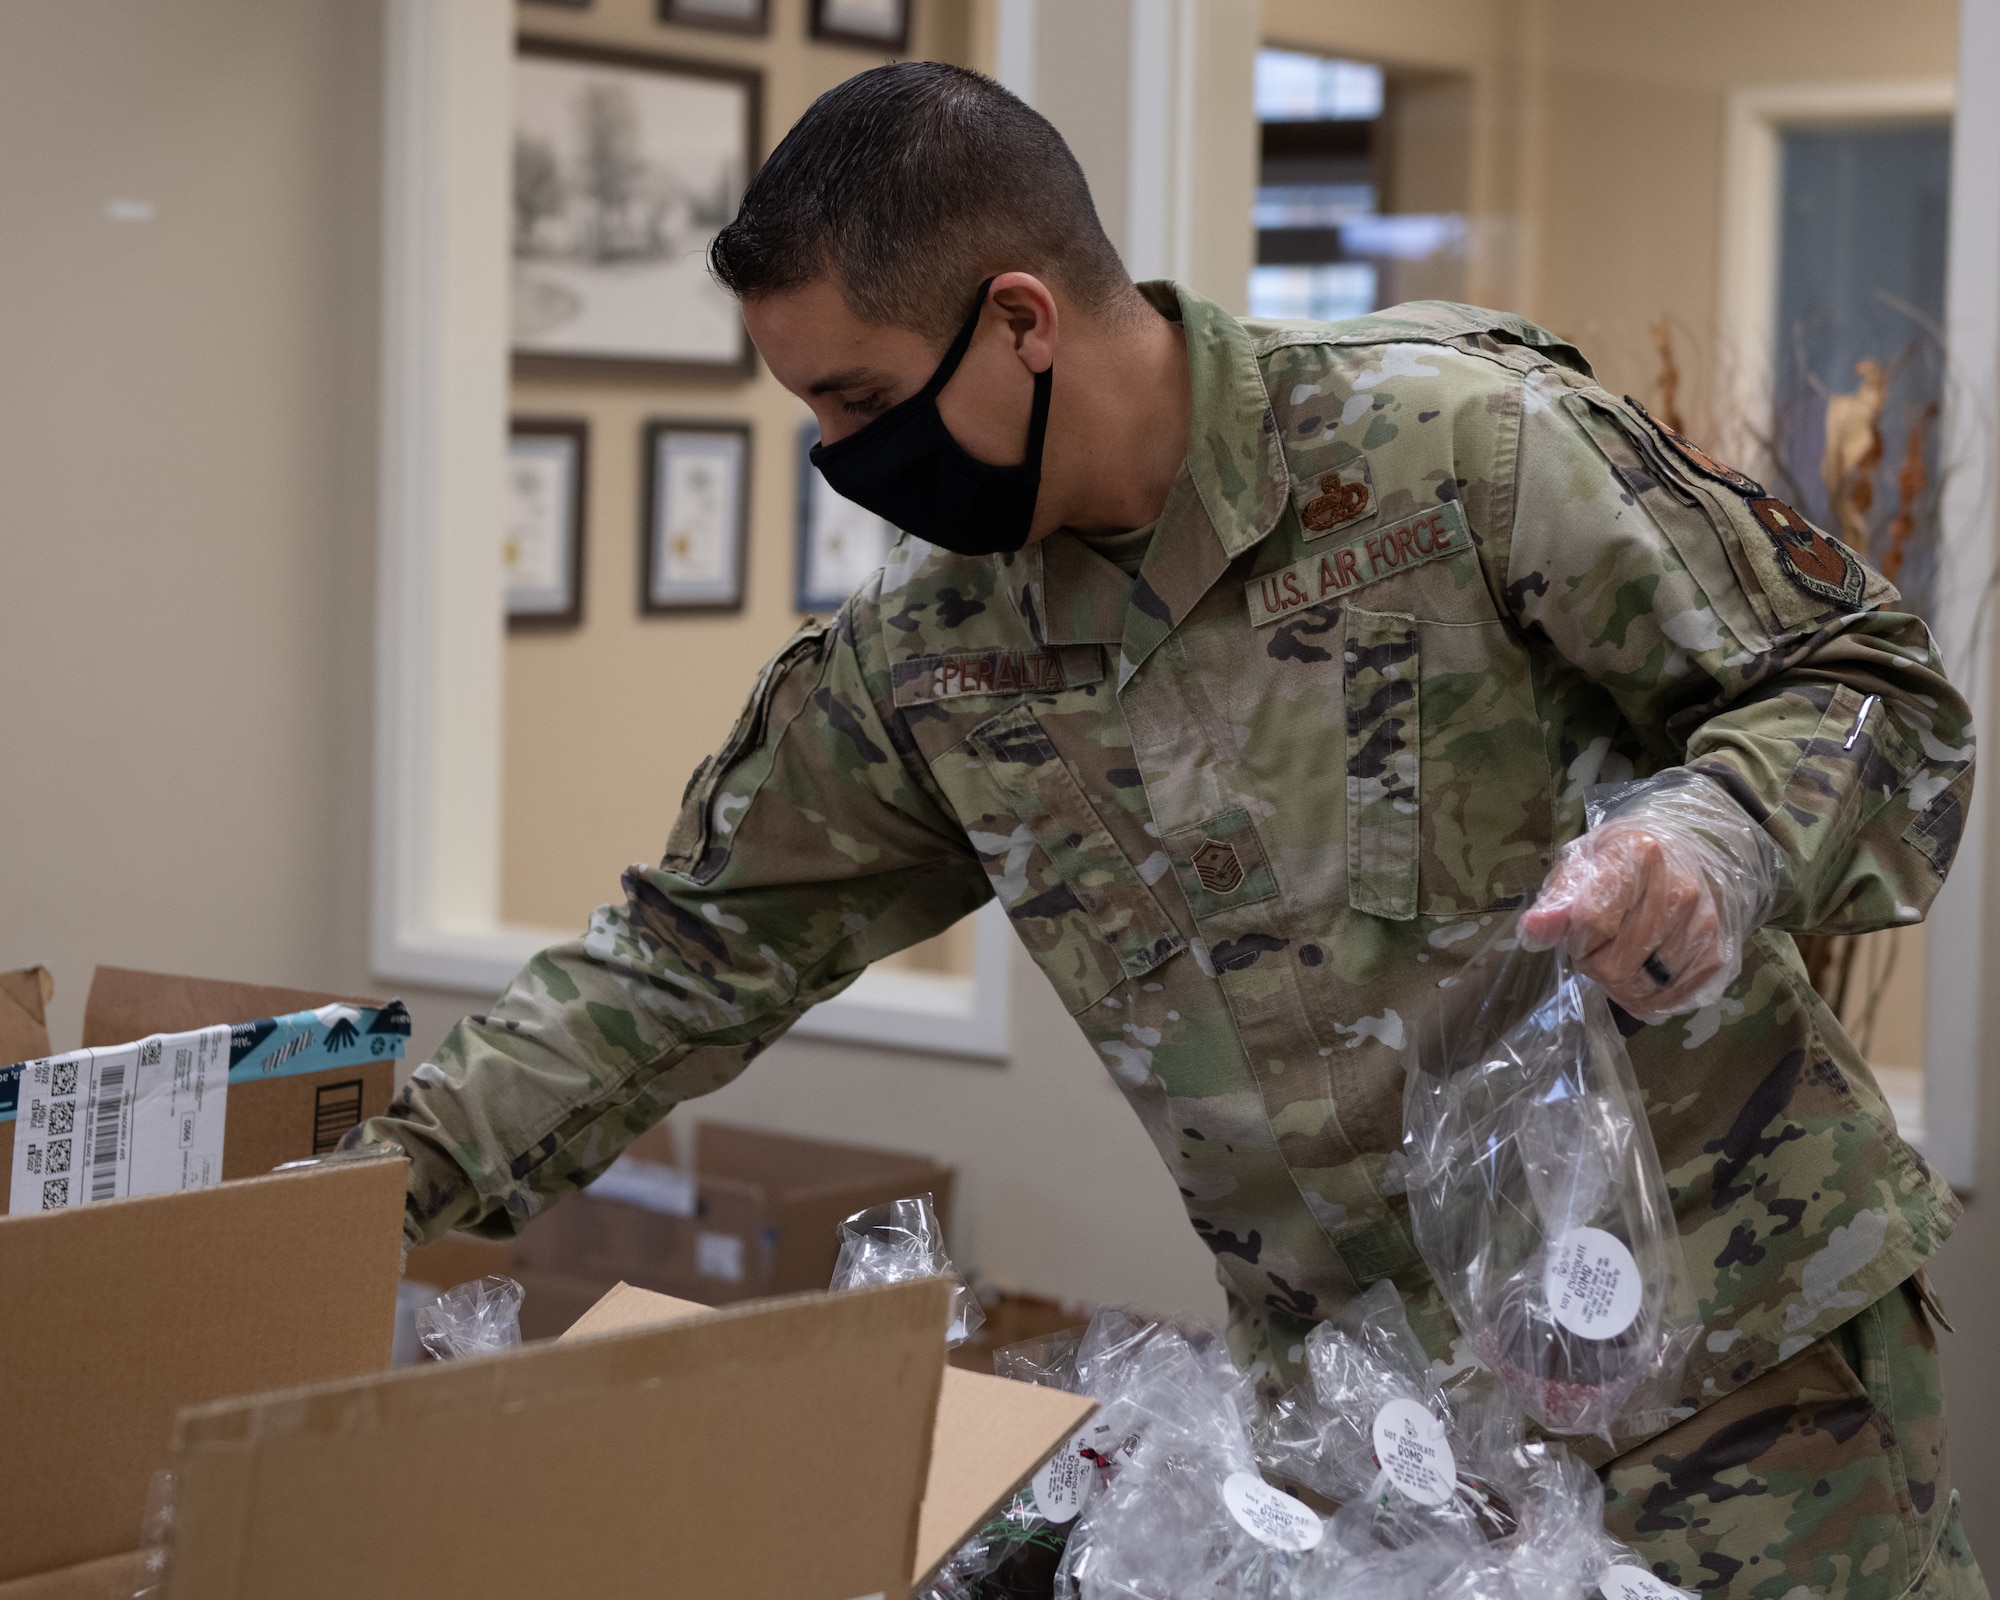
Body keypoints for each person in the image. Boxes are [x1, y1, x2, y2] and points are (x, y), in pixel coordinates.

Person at [348, 62, 1983, 1595]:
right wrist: (367, 1190)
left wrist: (1709, 835)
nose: (842, 459)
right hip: (1374, 1432)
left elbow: (1863, 682)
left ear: (1020, 321)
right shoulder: (933, 660)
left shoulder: (1451, 454)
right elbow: (682, 957)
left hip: (1732, 1363)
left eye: (858, 401)